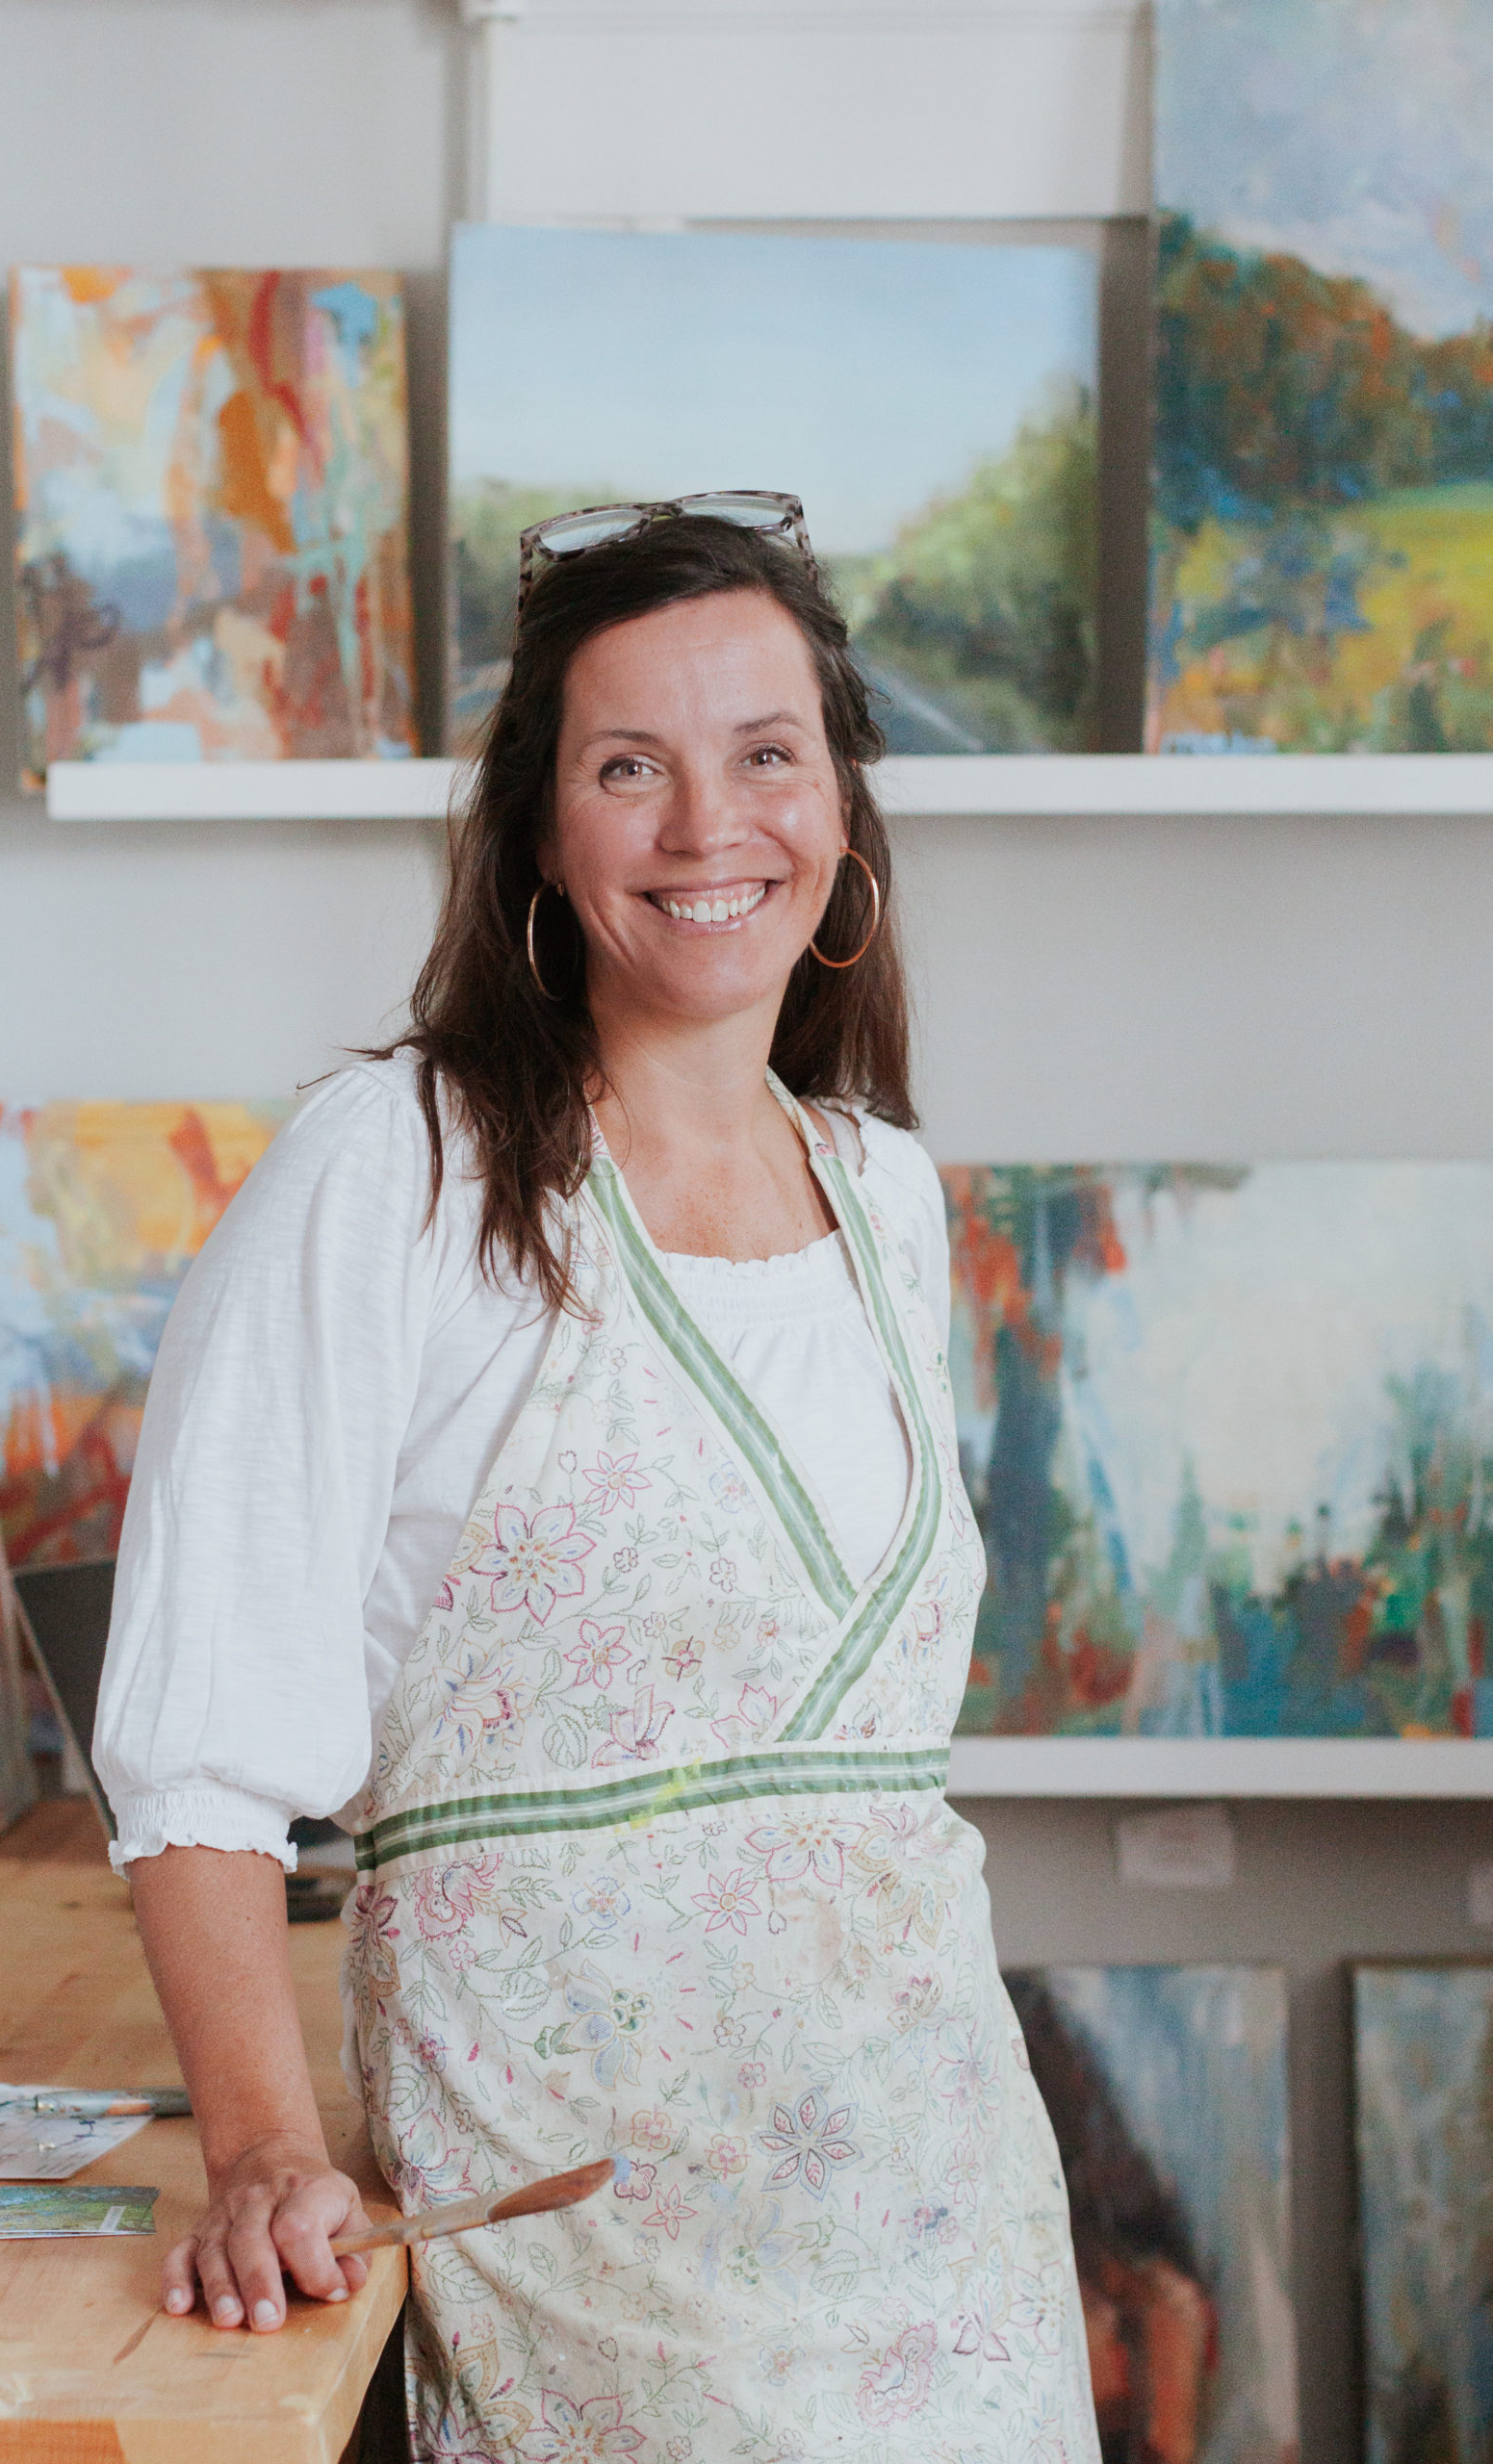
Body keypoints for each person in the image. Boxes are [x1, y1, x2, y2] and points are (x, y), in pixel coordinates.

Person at [95, 496, 1099, 2458]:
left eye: (763, 753)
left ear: (840, 811)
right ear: (541, 834)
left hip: (942, 2234)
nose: (703, 824)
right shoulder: (396, 1172)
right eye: (625, 764)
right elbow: (203, 1754)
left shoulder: (883, 1190)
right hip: (590, 2256)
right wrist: (260, 2147)